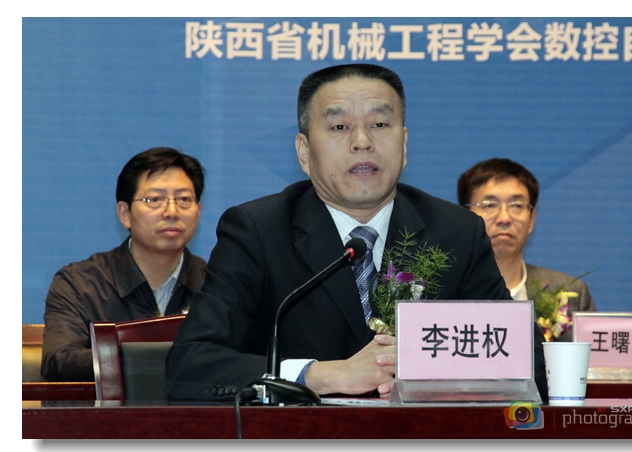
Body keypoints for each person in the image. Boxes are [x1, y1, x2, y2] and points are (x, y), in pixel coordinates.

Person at [166, 64, 548, 402]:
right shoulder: (258, 231)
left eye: (380, 124)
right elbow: (192, 363)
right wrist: (324, 375)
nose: (362, 141)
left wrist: (429, 365)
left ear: (404, 144)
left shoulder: (456, 232)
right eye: (339, 127)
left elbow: (527, 361)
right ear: (304, 152)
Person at [41, 147, 207, 382]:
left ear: (198, 212)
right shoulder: (80, 284)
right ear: (125, 213)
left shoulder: (216, 284)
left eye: (184, 199)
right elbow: (59, 361)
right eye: (155, 199)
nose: (172, 211)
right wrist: (148, 357)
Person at [457, 158, 596, 342]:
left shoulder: (570, 293)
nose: (504, 218)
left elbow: (591, 360)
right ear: (465, 218)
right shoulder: (440, 292)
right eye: (489, 205)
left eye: (517, 205)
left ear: (531, 220)